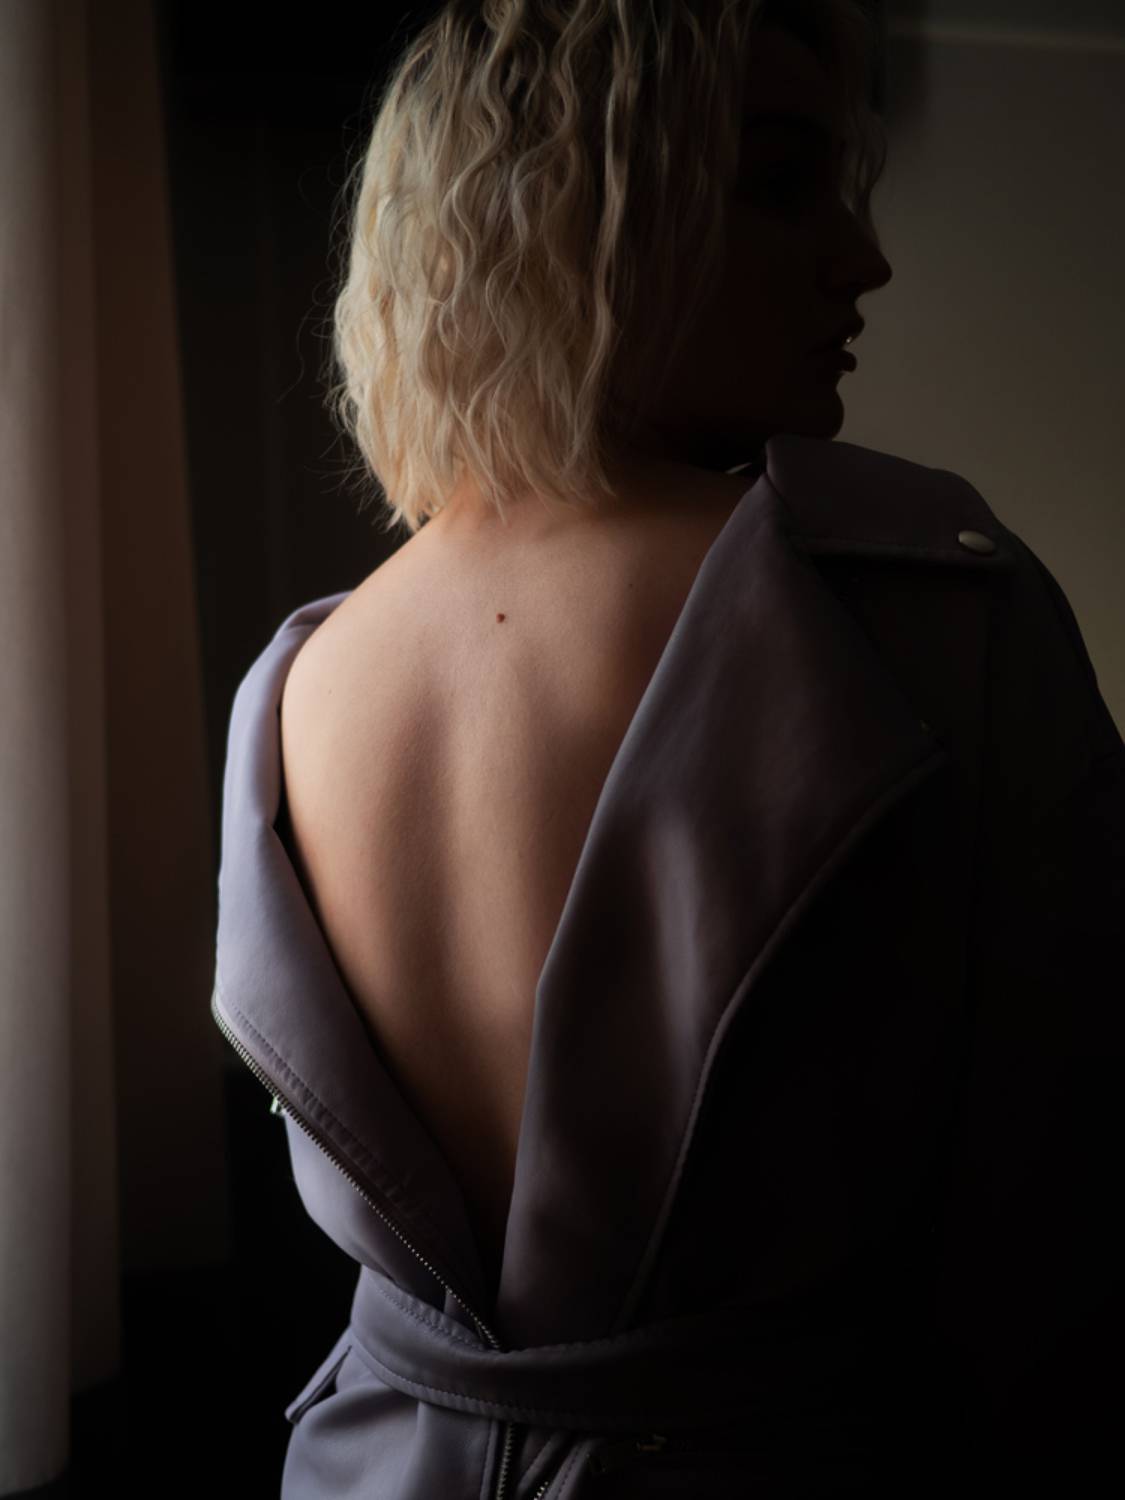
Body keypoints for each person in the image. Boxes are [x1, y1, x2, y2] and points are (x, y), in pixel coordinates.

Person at [210, 2, 1123, 1495]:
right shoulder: (926, 611)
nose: (862, 259)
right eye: (779, 184)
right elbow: (1070, 1230)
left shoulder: (298, 680)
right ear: (564, 214)